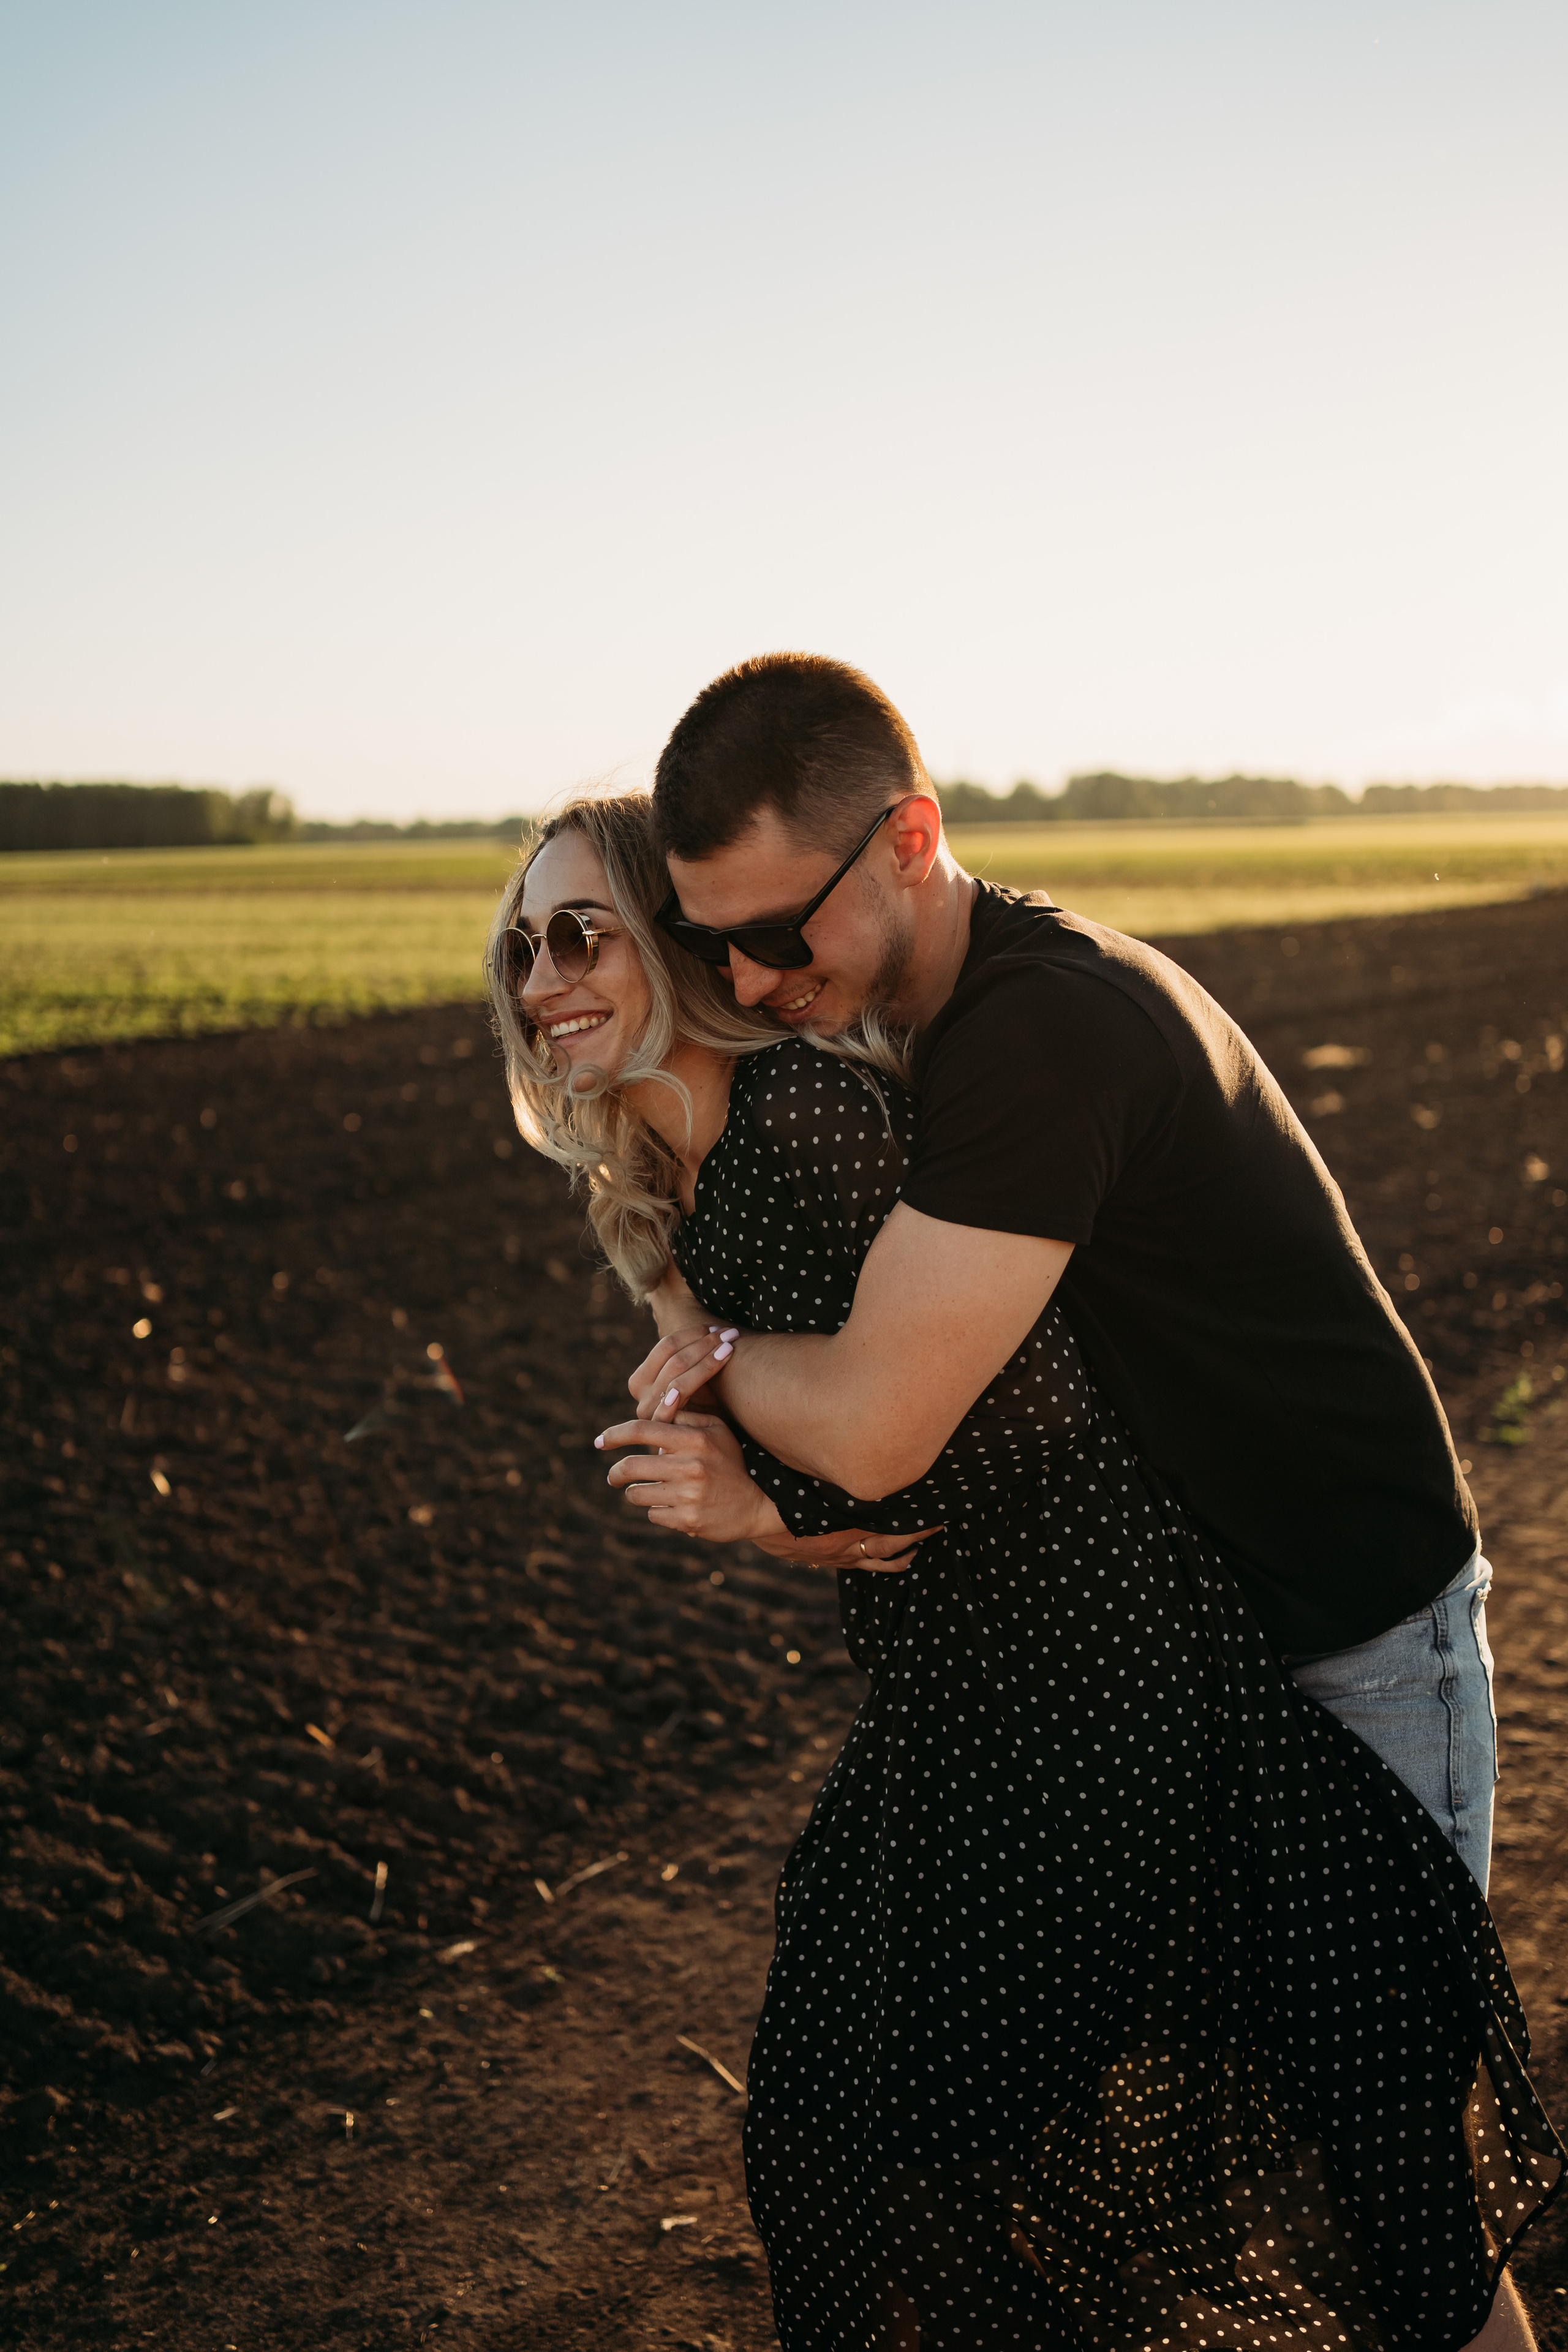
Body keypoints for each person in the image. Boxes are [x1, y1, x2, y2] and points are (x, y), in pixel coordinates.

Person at [491, 785, 1559, 2351]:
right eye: (518, 946)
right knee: (889, 2158)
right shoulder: (663, 1179)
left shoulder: (814, 1118)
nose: (541, 977)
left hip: (1104, 1693)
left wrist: (763, 1503)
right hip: (965, 1697)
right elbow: (857, 1472)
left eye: (578, 929)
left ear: (682, 937)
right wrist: (757, 1433)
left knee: (1348, 2195)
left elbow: (1004, 1429)